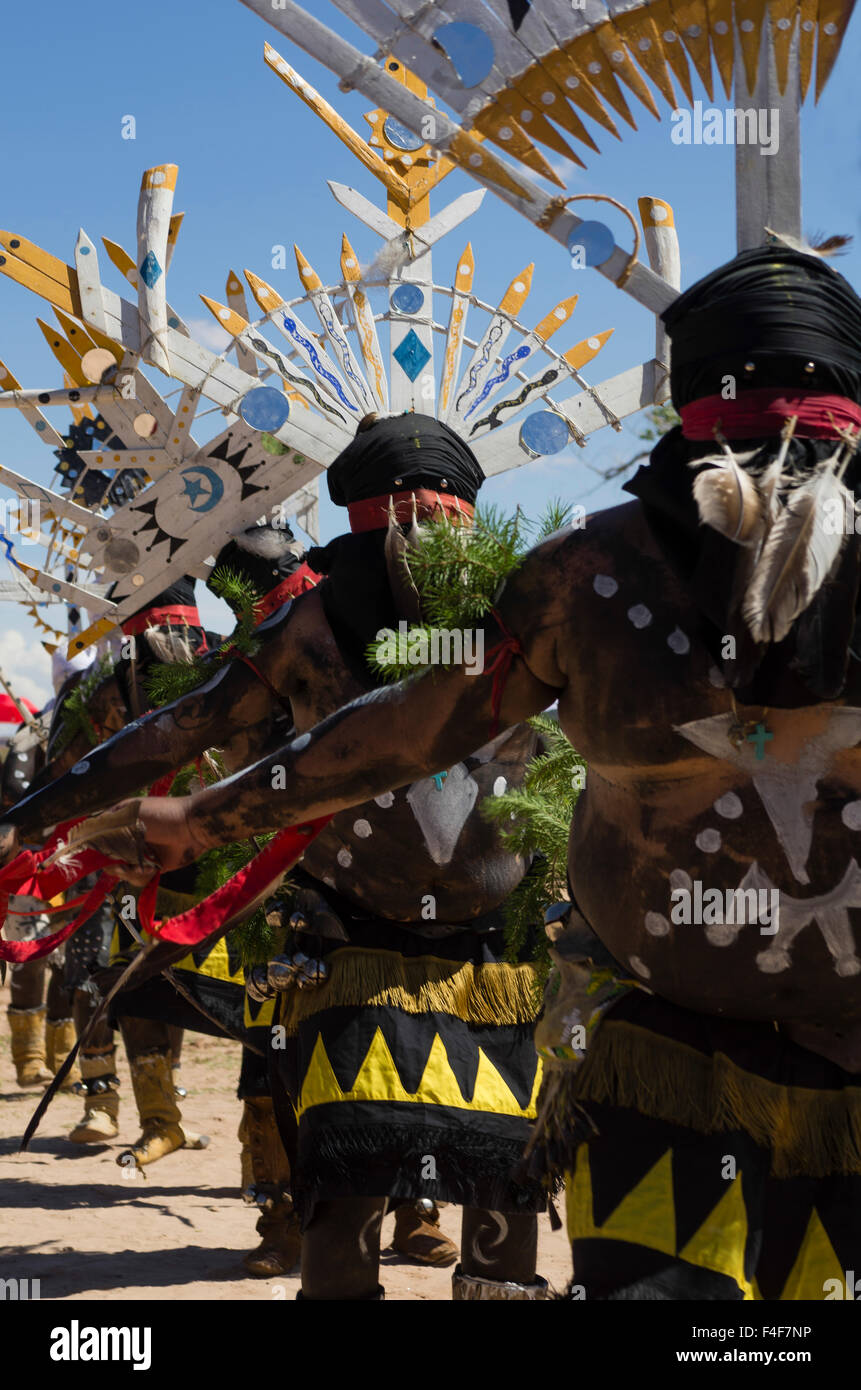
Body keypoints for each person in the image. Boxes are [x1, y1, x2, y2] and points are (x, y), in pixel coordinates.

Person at [33, 246, 861, 1300]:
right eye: (405, 507)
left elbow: (411, 727)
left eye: (442, 505)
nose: (425, 524)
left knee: (512, 1215)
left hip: (558, 979)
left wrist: (202, 811)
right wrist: (190, 812)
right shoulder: (585, 582)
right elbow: (403, 730)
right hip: (654, 1059)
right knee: (372, 1190)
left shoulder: (579, 578)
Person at [3, 413, 550, 1300]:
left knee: (507, 1208)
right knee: (341, 1206)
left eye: (442, 523)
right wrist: (28, 823)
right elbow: (171, 734)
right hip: (346, 949)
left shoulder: (526, 621)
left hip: (496, 961)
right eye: (401, 524)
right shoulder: (310, 630)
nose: (421, 543)